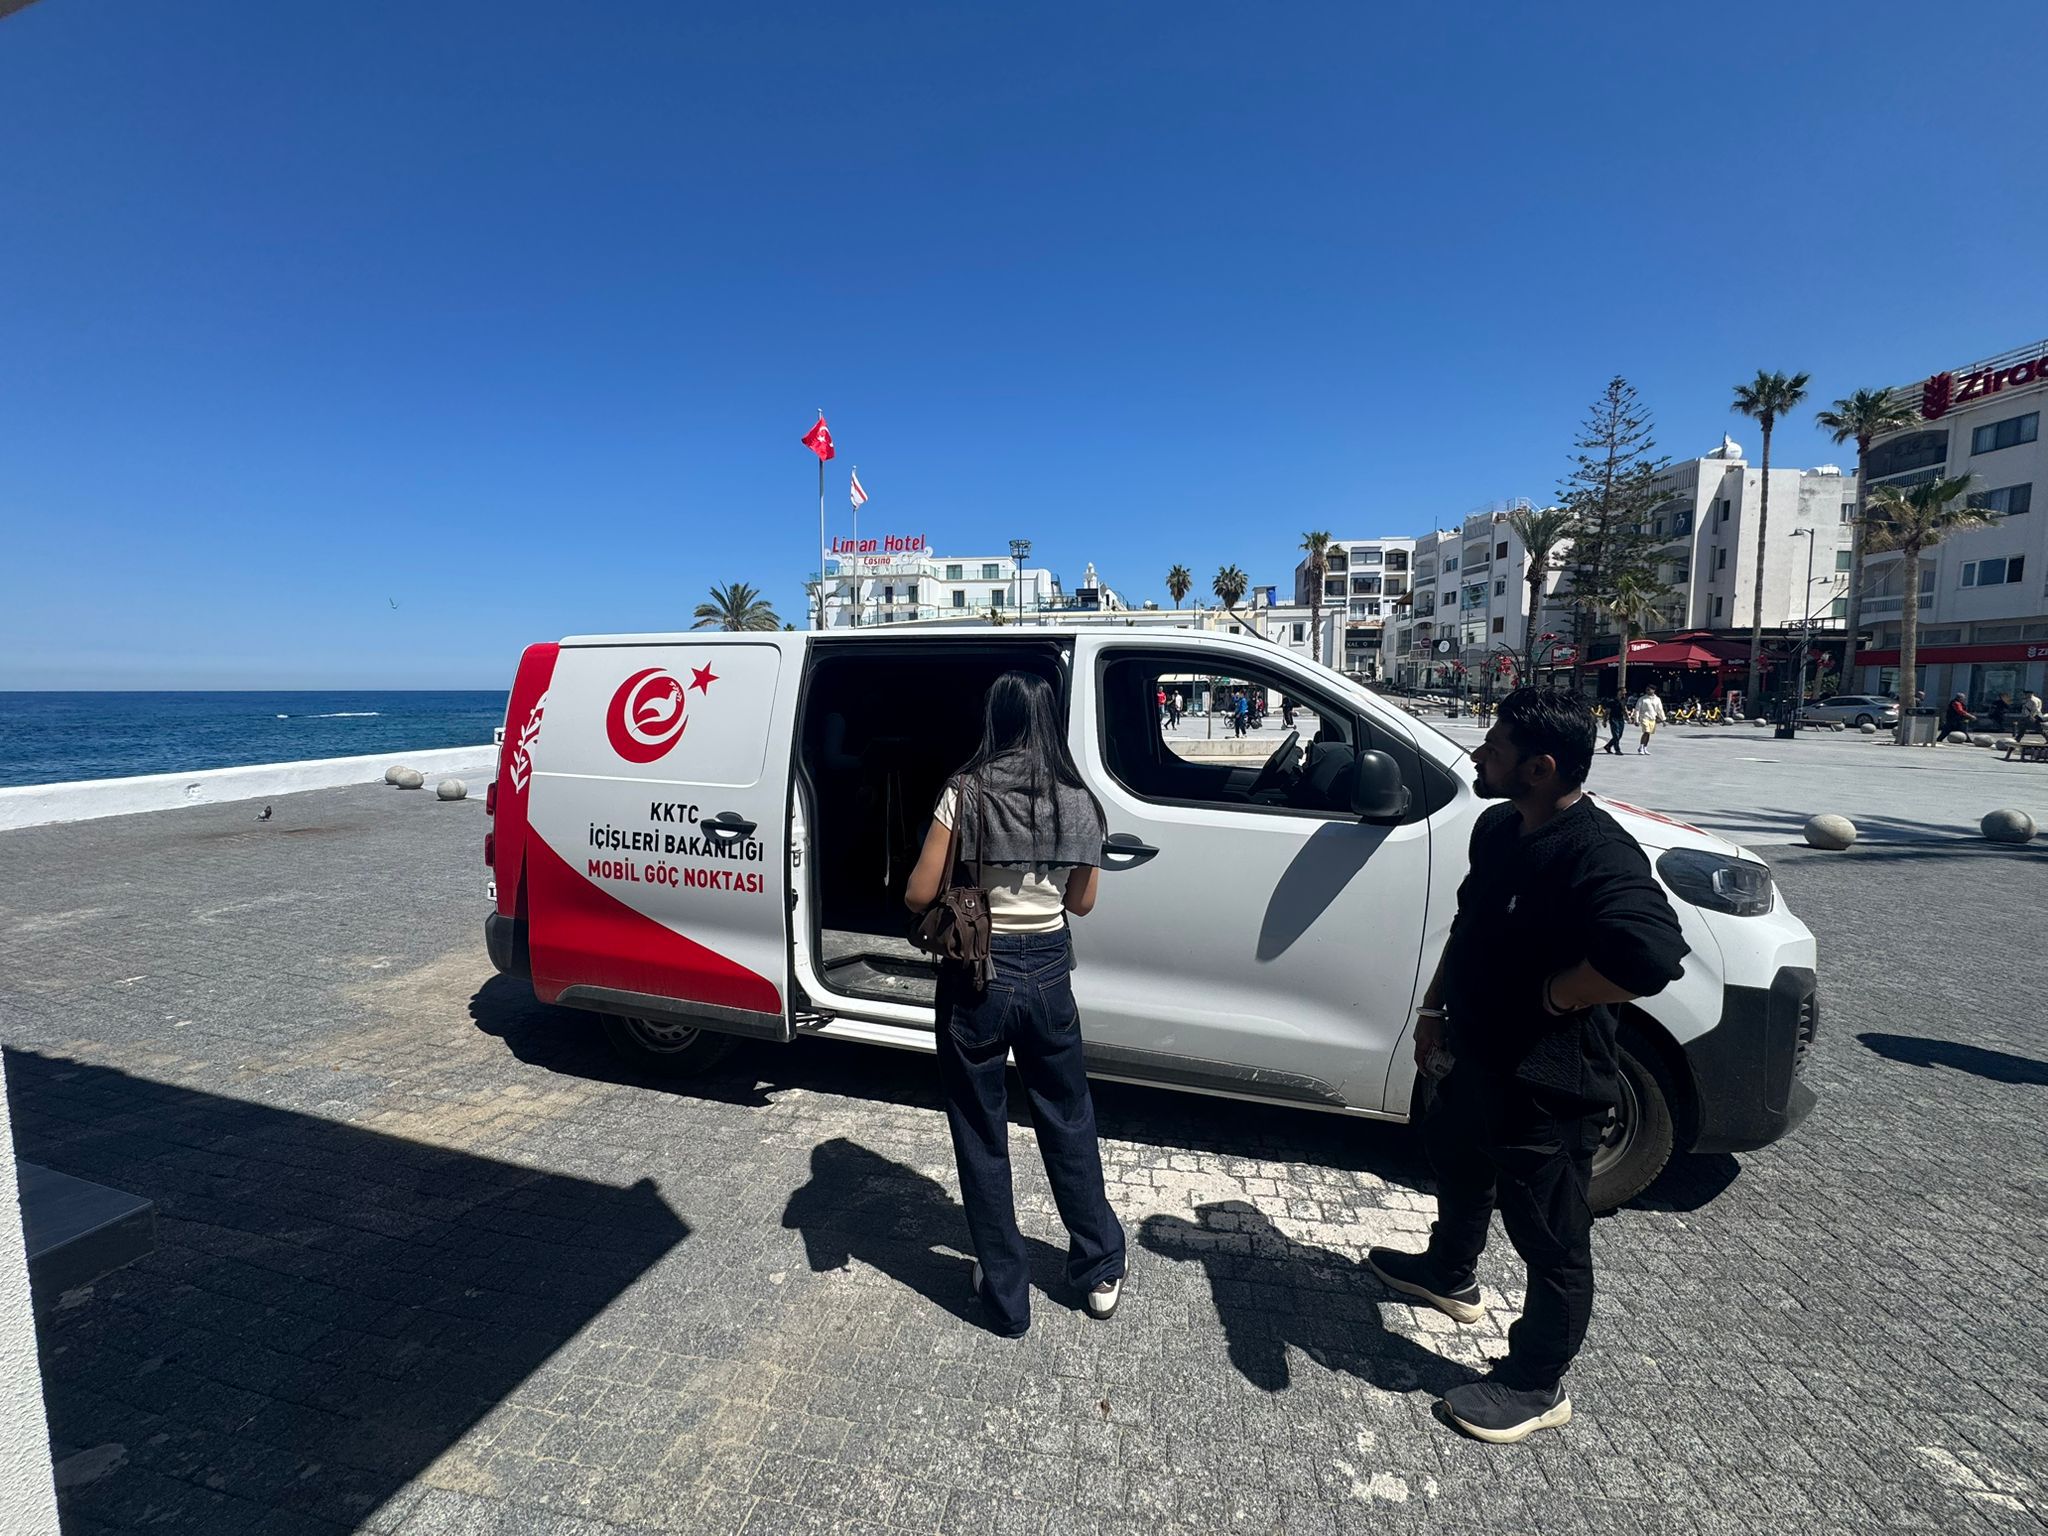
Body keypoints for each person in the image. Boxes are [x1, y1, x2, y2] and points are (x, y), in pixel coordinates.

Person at [1368, 688, 1687, 1443]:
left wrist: (1557, 994)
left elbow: (1652, 954)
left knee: (1550, 1237)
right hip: (1473, 1054)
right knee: (1457, 1162)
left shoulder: (1595, 849)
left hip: (1548, 1083)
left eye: (1496, 747)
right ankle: (1450, 1274)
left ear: (1541, 768)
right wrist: (1434, 1012)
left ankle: (1536, 1383)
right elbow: (1469, 926)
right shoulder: (1498, 827)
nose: (1478, 755)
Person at [904, 671, 1126, 1336]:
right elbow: (1081, 903)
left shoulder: (965, 791)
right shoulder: (1080, 799)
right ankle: (1099, 1269)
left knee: (981, 1128)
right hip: (1051, 971)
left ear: (994, 720)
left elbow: (919, 895)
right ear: (1050, 721)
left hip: (980, 974)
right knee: (1068, 1116)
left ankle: (1006, 1295)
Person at [1634, 684, 1665, 755]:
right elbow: (1637, 709)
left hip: (1652, 718)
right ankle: (1641, 747)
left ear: (1653, 690)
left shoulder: (1657, 699)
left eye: (1649, 690)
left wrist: (1663, 719)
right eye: (1646, 690)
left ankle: (1645, 747)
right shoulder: (1642, 699)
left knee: (1648, 734)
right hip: (1644, 717)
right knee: (1646, 731)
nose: (1647, 691)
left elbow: (1660, 710)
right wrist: (1636, 720)